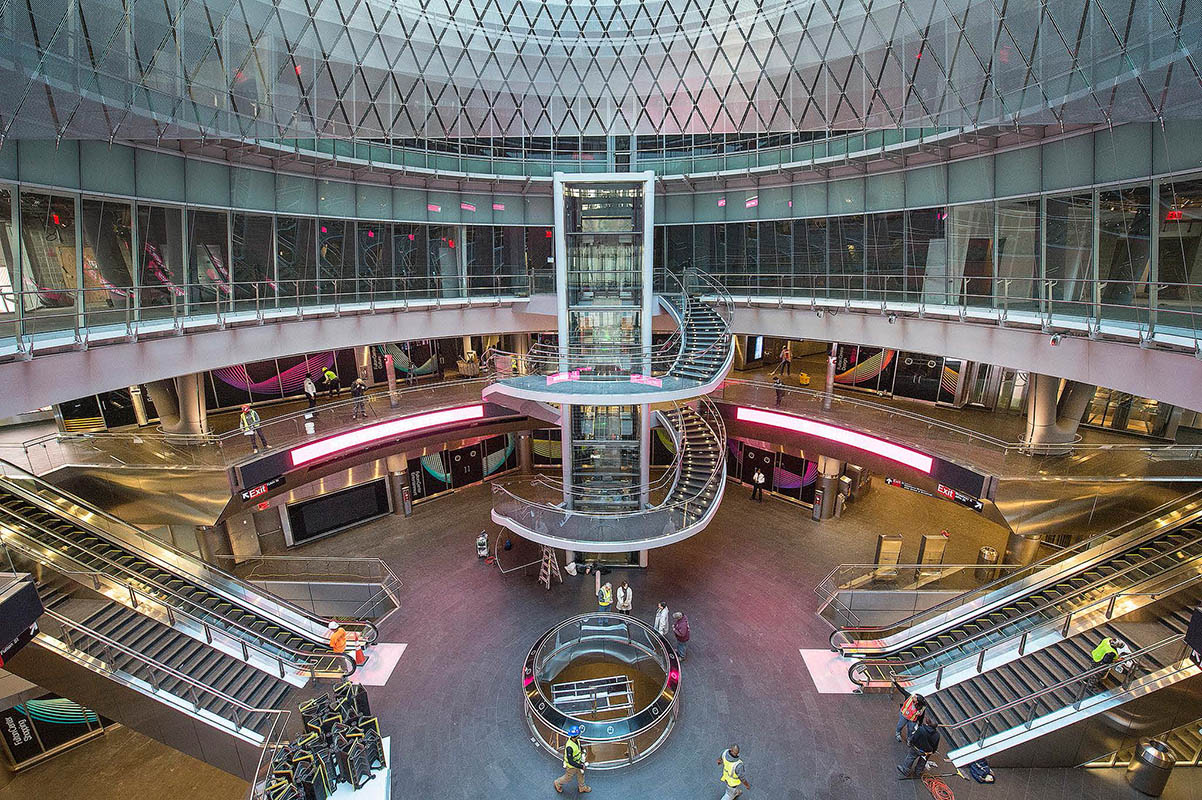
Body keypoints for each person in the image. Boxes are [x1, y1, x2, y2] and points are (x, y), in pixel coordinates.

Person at [898, 714, 940, 778]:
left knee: (910, 758)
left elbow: (915, 737)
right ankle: (918, 772)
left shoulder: (921, 729)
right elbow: (935, 744)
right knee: (922, 762)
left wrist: (911, 742)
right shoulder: (937, 735)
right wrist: (933, 751)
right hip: (927, 752)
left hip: (917, 748)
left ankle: (905, 770)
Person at [553, 725, 591, 794]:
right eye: (578, 734)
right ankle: (557, 783)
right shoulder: (569, 747)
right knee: (568, 778)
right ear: (576, 735)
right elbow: (571, 761)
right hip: (572, 766)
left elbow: (578, 746)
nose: (579, 735)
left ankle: (582, 787)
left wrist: (582, 749)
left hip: (578, 762)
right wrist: (581, 766)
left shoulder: (576, 740)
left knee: (581, 774)